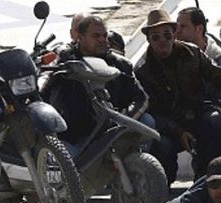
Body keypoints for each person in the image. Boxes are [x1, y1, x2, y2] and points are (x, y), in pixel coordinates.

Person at [135, 9, 221, 183]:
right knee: (161, 146)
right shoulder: (142, 70)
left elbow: (217, 76)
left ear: (174, 34)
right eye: (156, 37)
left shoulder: (193, 54)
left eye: (167, 35)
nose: (163, 41)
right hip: (168, 125)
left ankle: (207, 182)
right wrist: (178, 132)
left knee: (216, 121)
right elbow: (149, 112)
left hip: (197, 114)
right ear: (149, 39)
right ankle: (162, 190)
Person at [43, 16, 148, 153]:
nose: (102, 40)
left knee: (148, 121)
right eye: (96, 36)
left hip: (112, 130)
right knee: (67, 158)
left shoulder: (120, 64)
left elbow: (141, 98)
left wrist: (125, 120)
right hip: (75, 136)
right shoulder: (65, 61)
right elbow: (44, 90)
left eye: (104, 35)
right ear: (80, 37)